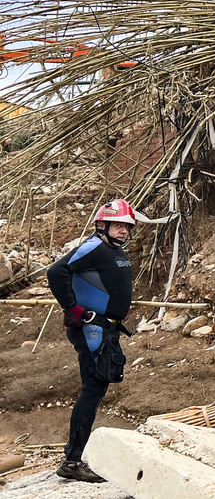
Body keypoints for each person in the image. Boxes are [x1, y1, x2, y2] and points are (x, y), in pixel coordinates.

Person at [47, 199, 137, 484]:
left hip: (106, 327)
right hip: (90, 327)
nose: (123, 231)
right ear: (102, 225)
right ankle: (72, 460)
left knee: (97, 386)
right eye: (118, 225)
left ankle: (74, 457)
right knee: (93, 387)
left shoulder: (115, 250)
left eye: (126, 226)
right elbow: (56, 272)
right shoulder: (93, 247)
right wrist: (71, 307)